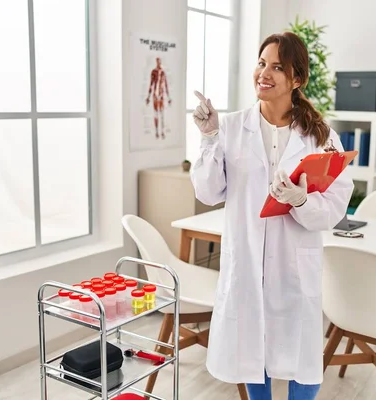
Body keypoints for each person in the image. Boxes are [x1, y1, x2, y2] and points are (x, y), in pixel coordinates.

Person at [189, 32, 354, 400]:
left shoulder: (321, 136)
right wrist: (209, 138)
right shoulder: (229, 127)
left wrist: (302, 202)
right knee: (252, 352)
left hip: (295, 264)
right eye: (262, 63)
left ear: (297, 80)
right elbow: (208, 191)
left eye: (278, 67)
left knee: (303, 353)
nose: (264, 72)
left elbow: (334, 207)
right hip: (247, 260)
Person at [145, 57, 172, 139]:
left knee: (162, 114)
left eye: (159, 62)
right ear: (156, 62)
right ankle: (157, 132)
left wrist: (168, 97)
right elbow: (151, 84)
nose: (158, 63)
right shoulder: (153, 72)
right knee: (156, 114)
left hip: (161, 96)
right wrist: (148, 97)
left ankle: (162, 132)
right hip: (155, 96)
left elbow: (166, 85)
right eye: (157, 62)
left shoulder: (163, 72)